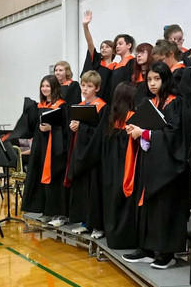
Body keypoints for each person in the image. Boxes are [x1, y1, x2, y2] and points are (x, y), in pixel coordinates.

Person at [123, 62, 191, 268]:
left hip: (170, 169)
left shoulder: (176, 103)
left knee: (165, 207)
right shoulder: (151, 103)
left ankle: (166, 253)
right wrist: (136, 128)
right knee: (149, 206)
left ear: (166, 80)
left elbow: (175, 135)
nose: (152, 84)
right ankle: (147, 248)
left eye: (157, 79)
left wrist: (144, 133)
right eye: (149, 79)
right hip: (151, 162)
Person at [21, 75, 69, 223]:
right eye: (43, 86)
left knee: (54, 179)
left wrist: (52, 128)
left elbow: (66, 129)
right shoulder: (40, 106)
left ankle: (58, 213)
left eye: (48, 86)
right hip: (40, 146)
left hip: (55, 148)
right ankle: (45, 210)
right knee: (39, 175)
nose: (44, 89)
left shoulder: (61, 106)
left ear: (54, 87)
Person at [67, 71, 109, 239]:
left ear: (97, 88)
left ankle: (98, 226)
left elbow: (99, 133)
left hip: (93, 156)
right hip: (80, 153)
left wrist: (81, 127)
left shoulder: (102, 107)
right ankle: (85, 223)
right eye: (83, 85)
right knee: (82, 190)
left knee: (94, 191)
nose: (85, 89)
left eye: (89, 86)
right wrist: (73, 126)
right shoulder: (80, 104)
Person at [102, 82, 138, 249]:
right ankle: (126, 239)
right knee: (125, 201)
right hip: (127, 167)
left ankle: (113, 236)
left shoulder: (112, 118)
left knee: (112, 199)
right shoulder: (133, 118)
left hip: (110, 168)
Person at [81, 10, 116, 103]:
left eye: (107, 47)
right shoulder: (97, 61)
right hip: (94, 100)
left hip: (109, 101)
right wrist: (85, 26)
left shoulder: (117, 67)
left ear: (113, 51)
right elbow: (90, 43)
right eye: (102, 47)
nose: (103, 49)